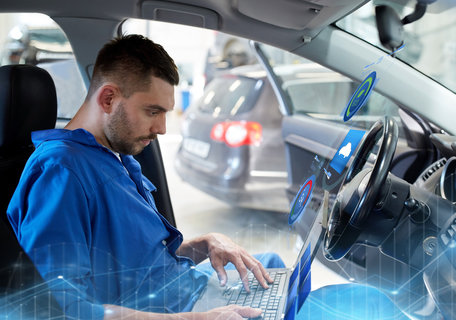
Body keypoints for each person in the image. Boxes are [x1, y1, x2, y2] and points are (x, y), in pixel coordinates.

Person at [7, 34, 284, 320]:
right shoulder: (61, 170)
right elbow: (59, 308)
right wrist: (198, 318)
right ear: (108, 98)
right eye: (153, 111)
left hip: (181, 290)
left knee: (272, 267)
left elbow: (138, 264)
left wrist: (201, 244)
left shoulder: (118, 157)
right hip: (176, 311)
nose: (163, 127)